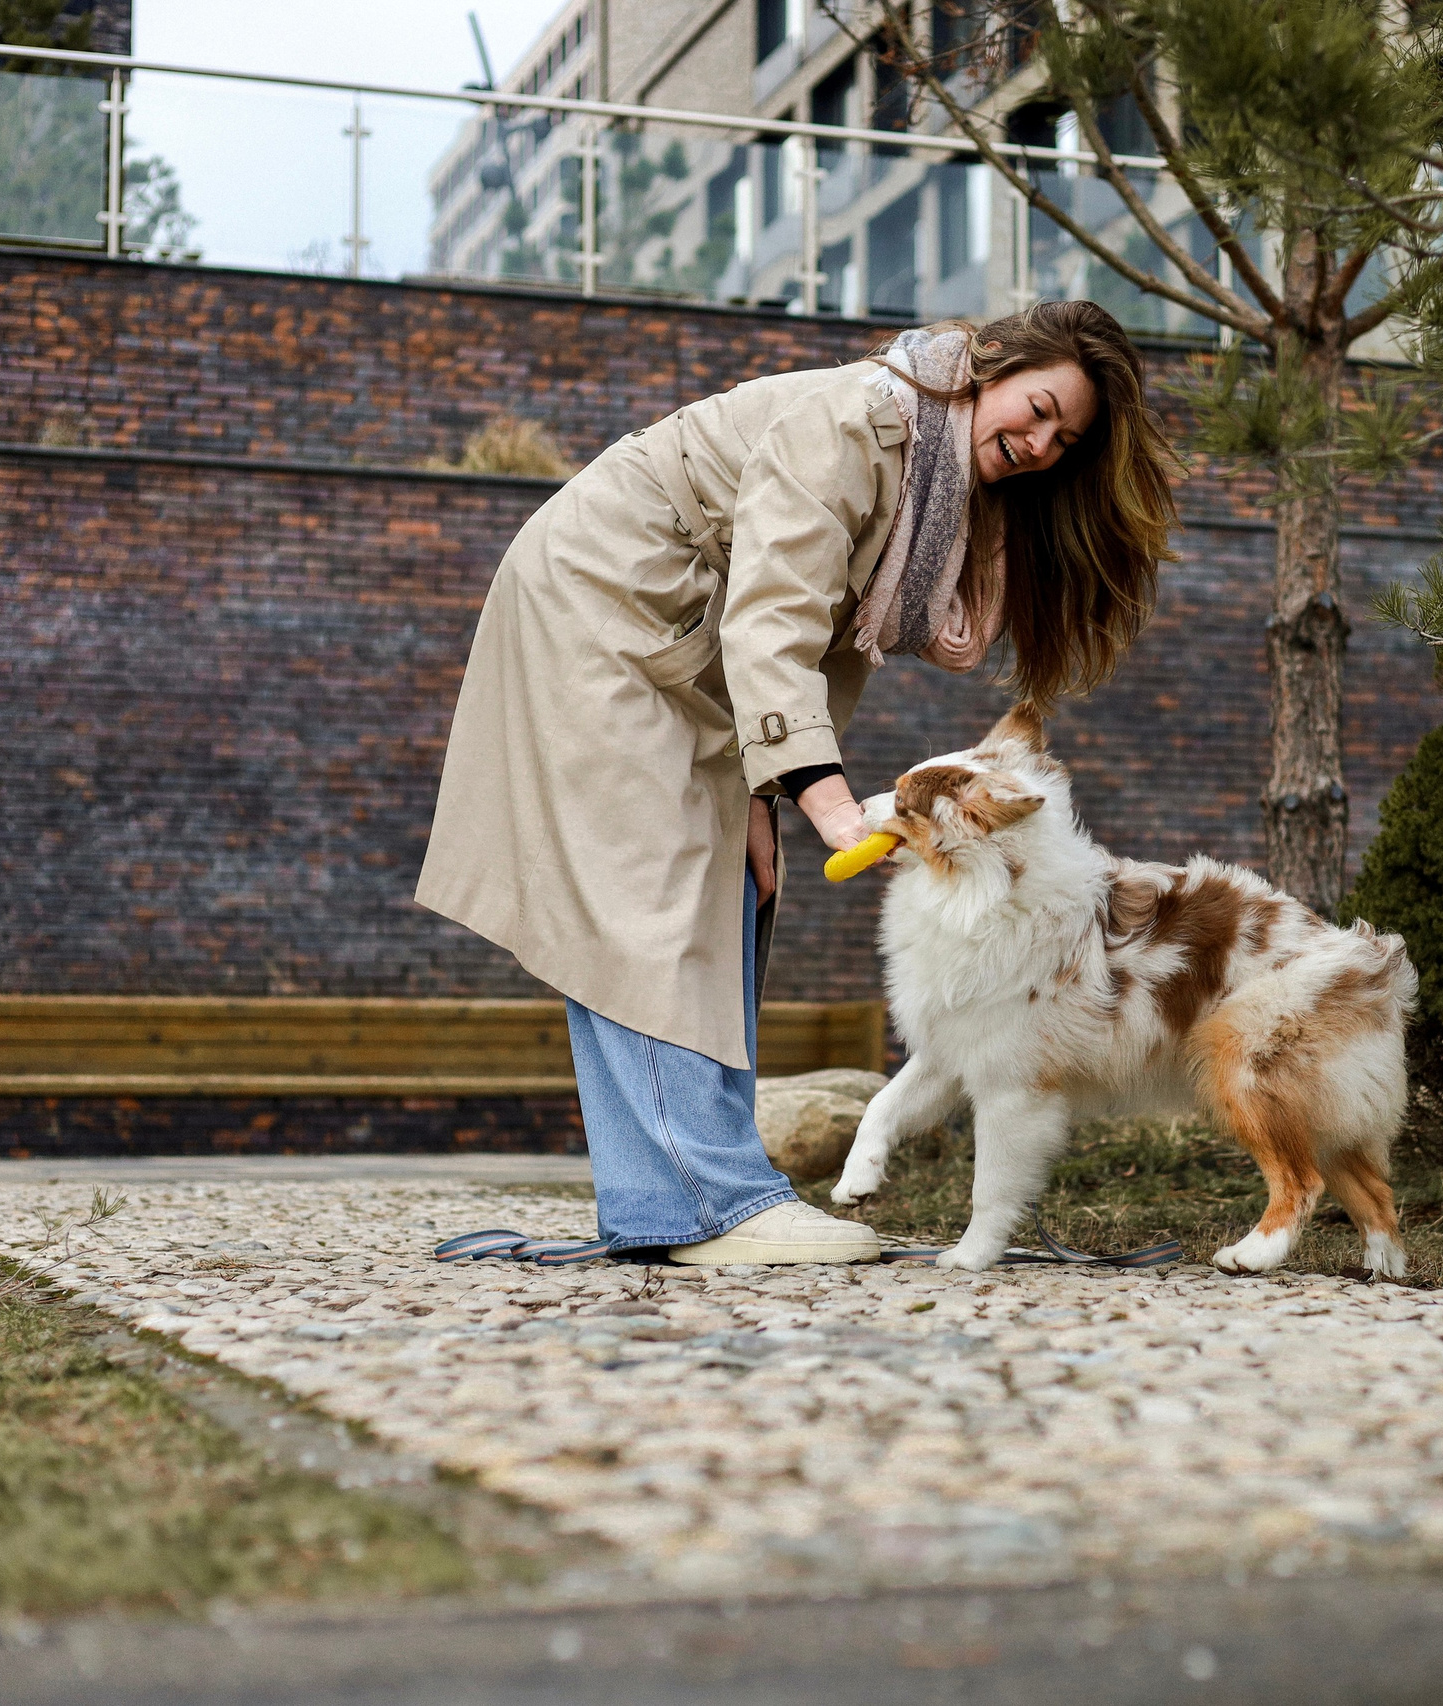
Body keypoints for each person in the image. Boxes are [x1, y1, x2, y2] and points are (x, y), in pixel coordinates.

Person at [416, 300, 1178, 1265]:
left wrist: (759, 801)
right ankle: (706, 1203)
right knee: (644, 900)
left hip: (682, 648)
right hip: (602, 605)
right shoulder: (854, 425)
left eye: (1061, 439)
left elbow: (798, 641)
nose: (1037, 443)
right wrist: (824, 800)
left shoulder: (933, 488)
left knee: (725, 895)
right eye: (1035, 409)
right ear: (988, 367)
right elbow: (773, 622)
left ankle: (687, 1197)